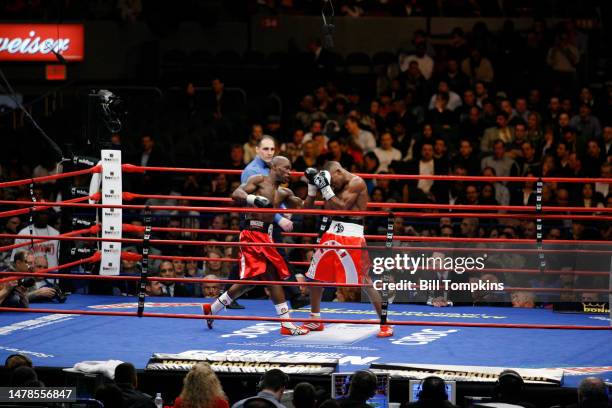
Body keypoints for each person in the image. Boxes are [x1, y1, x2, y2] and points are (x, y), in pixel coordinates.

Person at [204, 156, 309, 336]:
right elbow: (236, 194)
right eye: (286, 168)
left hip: (266, 237)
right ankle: (287, 323)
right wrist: (253, 199)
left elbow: (304, 206)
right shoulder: (259, 180)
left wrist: (314, 188)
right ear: (274, 167)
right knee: (272, 275)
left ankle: (212, 309)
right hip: (251, 235)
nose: (289, 172)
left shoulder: (284, 193)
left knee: (248, 284)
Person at [302, 161, 393, 337]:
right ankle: (315, 319)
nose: (333, 185)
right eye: (330, 183)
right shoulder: (333, 184)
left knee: (365, 281)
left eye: (333, 181)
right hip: (331, 232)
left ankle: (385, 323)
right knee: (314, 278)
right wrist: (312, 187)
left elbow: (343, 208)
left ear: (338, 171)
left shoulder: (356, 182)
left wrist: (326, 189)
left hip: (352, 234)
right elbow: (308, 209)